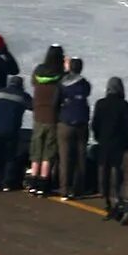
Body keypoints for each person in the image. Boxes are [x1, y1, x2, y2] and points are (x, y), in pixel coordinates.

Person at [91, 76, 128, 210]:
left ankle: (104, 195)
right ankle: (116, 198)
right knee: (117, 171)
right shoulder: (124, 105)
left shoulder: (100, 103)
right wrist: (126, 141)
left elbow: (94, 124)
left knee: (103, 168)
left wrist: (98, 138)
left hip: (104, 142)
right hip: (119, 144)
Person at [27, 45, 65, 195]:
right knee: (48, 152)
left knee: (36, 150)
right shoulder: (60, 75)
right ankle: (43, 185)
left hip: (38, 115)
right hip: (52, 116)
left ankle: (32, 183)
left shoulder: (38, 72)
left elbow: (33, 83)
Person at [0, 73, 30, 190]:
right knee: (10, 156)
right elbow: (34, 106)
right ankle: (7, 183)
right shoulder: (22, 96)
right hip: (11, 129)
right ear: (21, 86)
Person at [56, 56, 92, 199]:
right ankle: (79, 189)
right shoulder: (85, 84)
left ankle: (64, 190)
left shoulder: (62, 83)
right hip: (82, 123)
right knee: (81, 157)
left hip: (65, 123)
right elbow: (86, 92)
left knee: (65, 158)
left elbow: (57, 99)